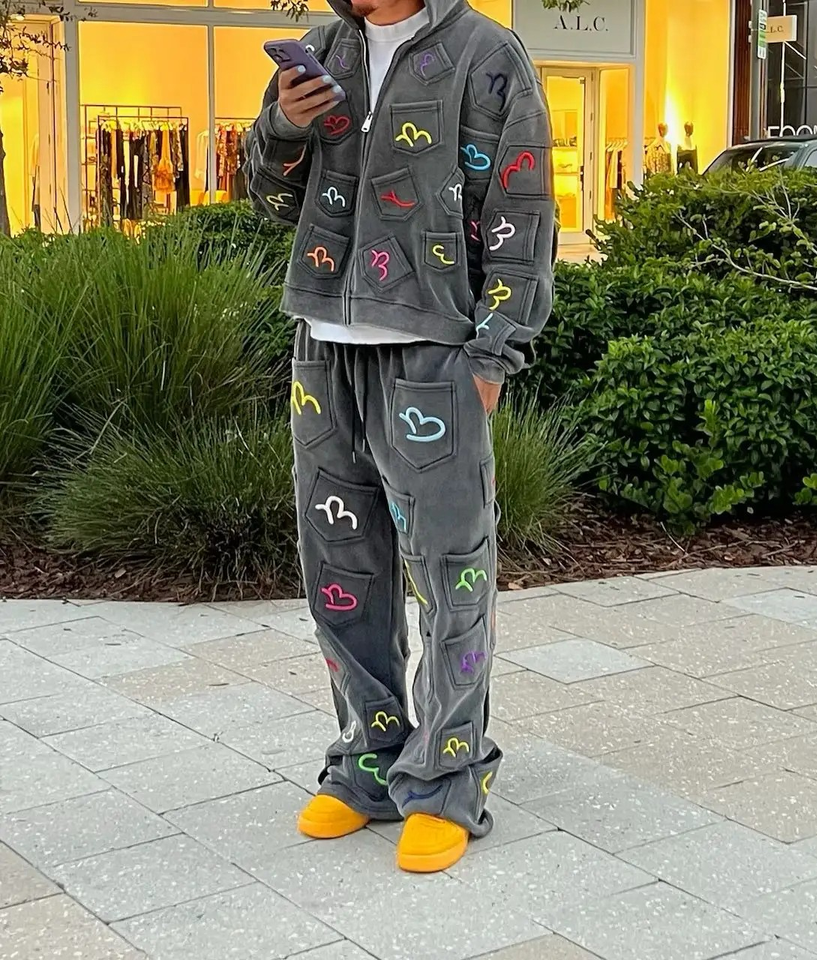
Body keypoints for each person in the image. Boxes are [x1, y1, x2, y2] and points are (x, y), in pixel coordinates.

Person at [245, 0, 555, 873]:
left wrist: (493, 355)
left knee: (451, 573)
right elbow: (268, 200)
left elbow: (522, 211)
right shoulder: (321, 50)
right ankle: (370, 760)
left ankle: (448, 776)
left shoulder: (487, 55)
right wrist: (283, 126)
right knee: (339, 574)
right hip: (323, 346)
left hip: (433, 353)